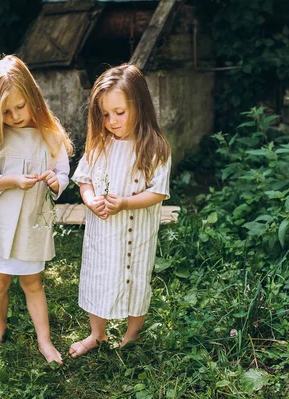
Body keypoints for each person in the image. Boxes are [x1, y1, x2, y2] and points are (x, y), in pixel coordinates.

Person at [0, 55, 73, 365]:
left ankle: (45, 341)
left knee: (33, 283)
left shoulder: (49, 134)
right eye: (5, 112)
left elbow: (63, 172)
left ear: (32, 98)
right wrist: (9, 180)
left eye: (19, 107)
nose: (14, 116)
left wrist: (54, 181)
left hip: (31, 222)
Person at [69, 64, 171, 357]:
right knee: (98, 275)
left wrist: (125, 202)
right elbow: (84, 181)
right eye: (104, 114)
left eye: (119, 112)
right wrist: (89, 201)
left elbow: (158, 192)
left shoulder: (154, 148)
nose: (112, 121)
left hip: (136, 232)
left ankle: (132, 335)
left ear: (139, 106)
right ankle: (97, 334)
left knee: (136, 277)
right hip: (103, 230)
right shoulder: (99, 145)